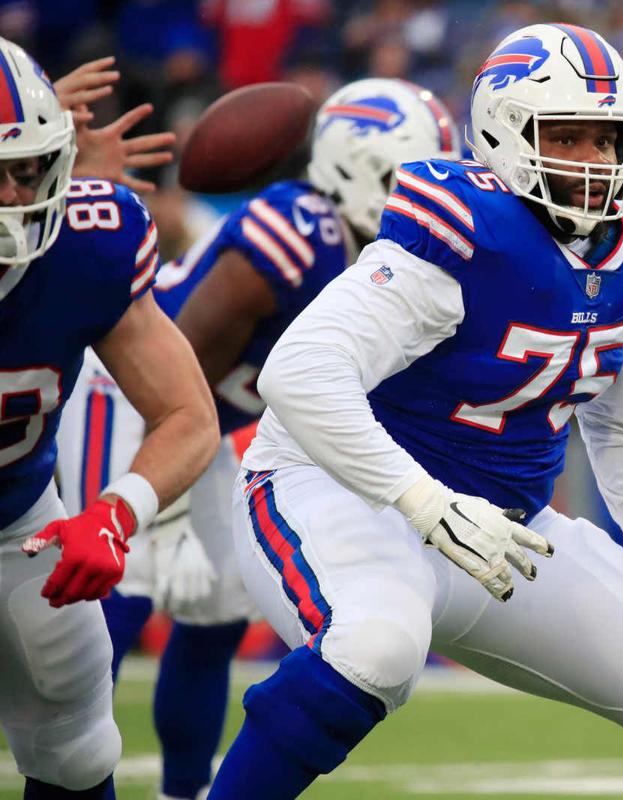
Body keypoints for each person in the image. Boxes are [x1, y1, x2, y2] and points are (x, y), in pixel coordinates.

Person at [208, 23, 623, 800]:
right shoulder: (461, 229)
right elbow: (302, 373)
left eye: (606, 138)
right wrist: (422, 499)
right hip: (339, 492)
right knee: (377, 648)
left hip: (505, 529)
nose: (590, 160)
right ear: (501, 134)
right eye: (567, 135)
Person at [55, 77, 460, 800]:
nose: (434, 194)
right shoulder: (301, 227)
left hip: (202, 420)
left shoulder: (383, 261)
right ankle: (63, 775)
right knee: (115, 592)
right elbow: (188, 359)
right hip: (131, 396)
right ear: (357, 168)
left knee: (216, 611)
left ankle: (184, 790)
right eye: (416, 176)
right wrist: (167, 513)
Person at [0, 40, 219, 798]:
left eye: (24, 170)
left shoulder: (87, 245)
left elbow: (188, 414)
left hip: (16, 522)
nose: (11, 198)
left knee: (79, 750)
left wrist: (114, 514)